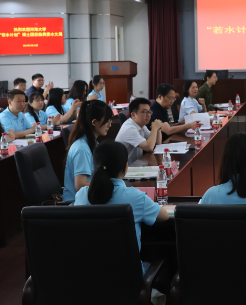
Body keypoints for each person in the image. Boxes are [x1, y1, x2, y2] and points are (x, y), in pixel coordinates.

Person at [74, 141, 169, 273]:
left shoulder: (81, 195)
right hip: (128, 276)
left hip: (89, 275)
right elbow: (164, 216)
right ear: (126, 167)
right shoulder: (135, 197)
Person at [63, 100, 113, 201]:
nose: (110, 125)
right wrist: (107, 184)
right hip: (76, 203)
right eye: (107, 121)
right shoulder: (82, 148)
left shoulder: (92, 143)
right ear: (94, 122)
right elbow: (80, 185)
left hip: (88, 198)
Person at [115, 97, 163, 163]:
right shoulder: (129, 129)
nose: (149, 115)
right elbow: (149, 147)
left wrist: (158, 128)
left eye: (149, 112)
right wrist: (154, 128)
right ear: (133, 115)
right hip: (126, 167)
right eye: (145, 112)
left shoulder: (141, 125)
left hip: (137, 163)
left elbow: (157, 144)